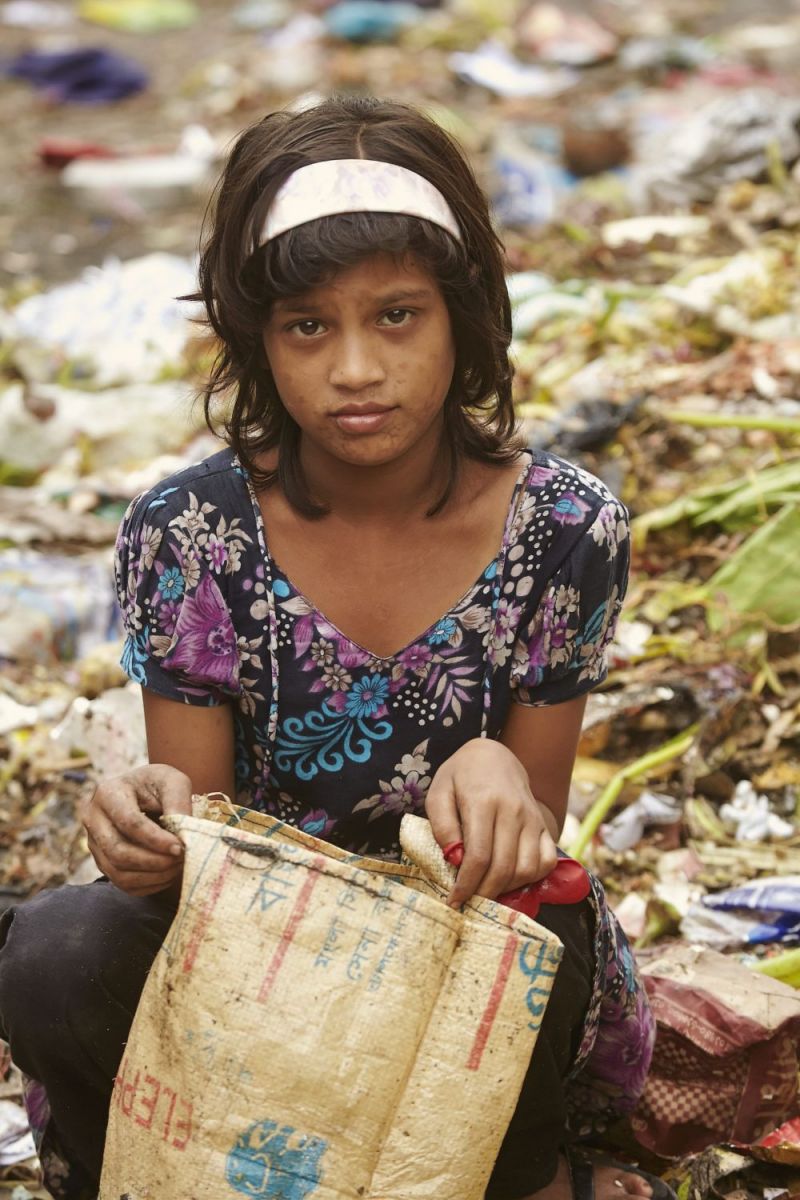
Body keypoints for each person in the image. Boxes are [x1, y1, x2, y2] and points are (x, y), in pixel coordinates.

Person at [0, 95, 663, 1200]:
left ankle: (532, 1168)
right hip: (247, 956)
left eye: (397, 316)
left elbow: (532, 828)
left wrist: (495, 774)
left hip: (459, 943)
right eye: (309, 326)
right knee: (56, 952)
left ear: (462, 317)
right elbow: (195, 827)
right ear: (257, 340)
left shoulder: (562, 526)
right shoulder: (191, 531)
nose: (355, 367)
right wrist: (146, 822)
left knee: (545, 936)